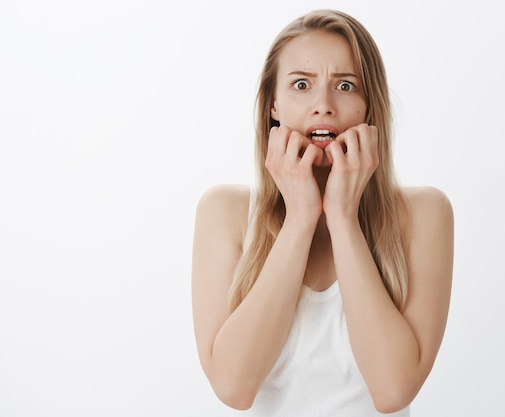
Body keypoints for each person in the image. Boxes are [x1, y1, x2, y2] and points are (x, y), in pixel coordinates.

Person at [191, 9, 454, 417]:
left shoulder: (424, 213)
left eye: (345, 85)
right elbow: (233, 386)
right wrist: (299, 218)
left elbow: (392, 391)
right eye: (301, 84)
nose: (323, 106)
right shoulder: (223, 212)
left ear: (369, 107)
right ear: (273, 105)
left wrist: (343, 218)